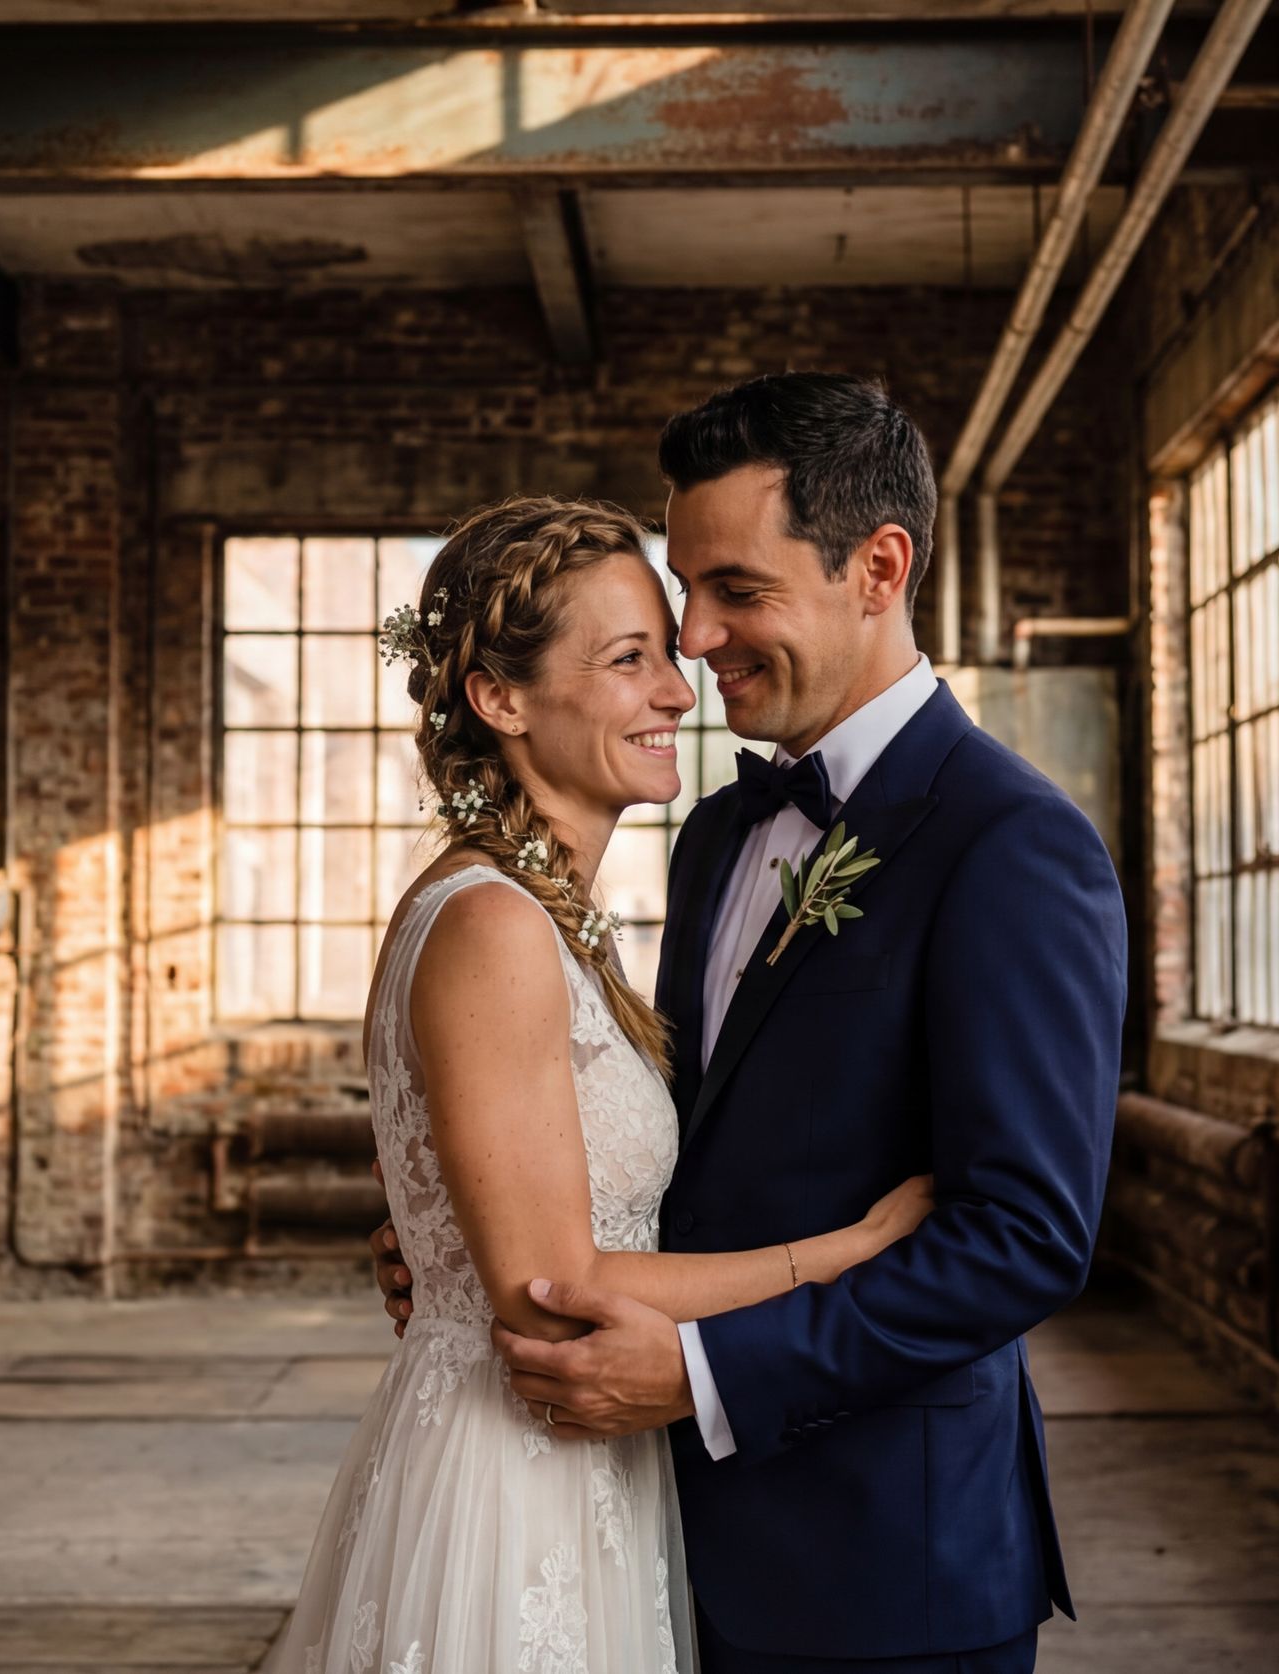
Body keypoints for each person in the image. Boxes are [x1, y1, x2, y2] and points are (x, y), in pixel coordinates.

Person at [370, 372, 1129, 1673]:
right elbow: (683, 1145)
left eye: (737, 590)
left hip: (886, 1562)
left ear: (878, 568)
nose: (697, 638)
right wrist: (474, 1226)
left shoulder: (1013, 844)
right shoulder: (716, 832)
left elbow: (1025, 1238)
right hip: (656, 1529)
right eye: (682, 596)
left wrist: (710, 1374)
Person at [266, 494, 936, 1674]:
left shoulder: (553, 918)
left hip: (591, 1466)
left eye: (665, 654)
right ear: (501, 698)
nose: (680, 690)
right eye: (629, 660)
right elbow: (553, 1288)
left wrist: (439, 1239)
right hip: (514, 1480)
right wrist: (847, 1254)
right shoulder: (493, 925)